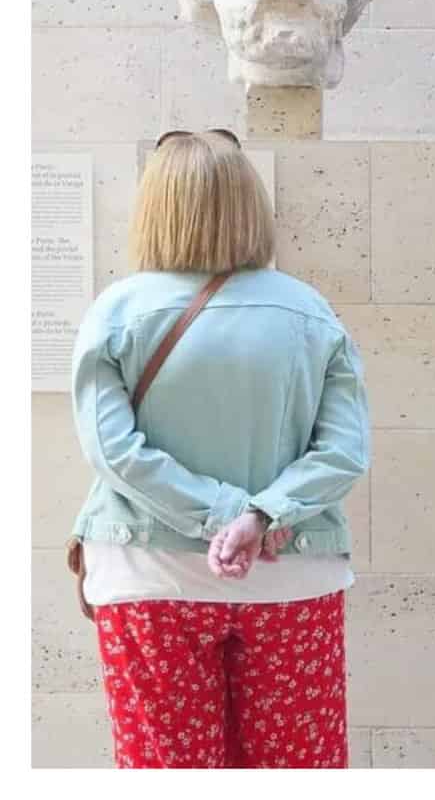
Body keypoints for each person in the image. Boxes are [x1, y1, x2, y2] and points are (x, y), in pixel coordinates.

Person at [68, 129, 370, 768]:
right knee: (296, 768)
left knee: (167, 770)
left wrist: (220, 513)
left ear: (156, 205)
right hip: (290, 579)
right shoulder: (311, 312)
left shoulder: (117, 312)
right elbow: (344, 452)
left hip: (148, 576)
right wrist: (258, 517)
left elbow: (113, 450)